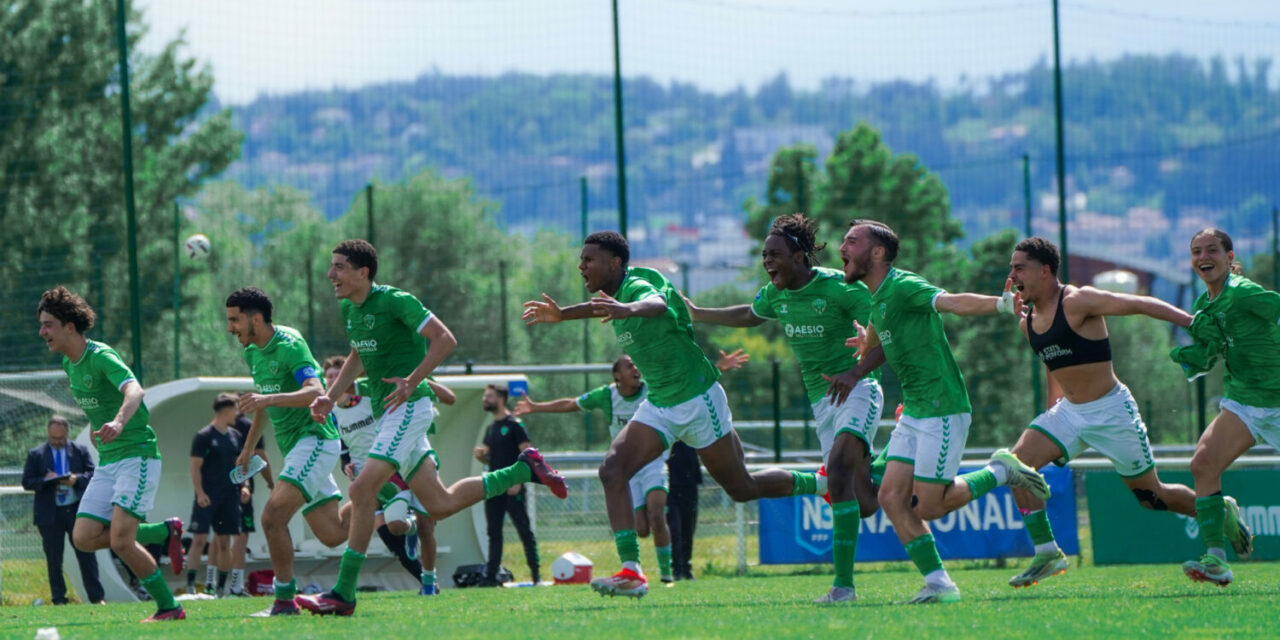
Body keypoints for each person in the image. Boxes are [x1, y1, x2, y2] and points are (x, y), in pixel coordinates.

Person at [522, 231, 826, 599]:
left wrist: (627, 310)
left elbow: (657, 304)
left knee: (741, 488)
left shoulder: (638, 287)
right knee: (612, 471)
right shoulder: (617, 294)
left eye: (589, 259)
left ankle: (822, 484)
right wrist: (563, 314)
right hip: (661, 404)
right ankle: (631, 572)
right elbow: (598, 307)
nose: (581, 266)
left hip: (698, 399)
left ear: (614, 263)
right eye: (581, 259)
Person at [303, 239, 567, 616]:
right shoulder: (350, 308)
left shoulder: (396, 301)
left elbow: (445, 339)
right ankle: (524, 469)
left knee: (361, 489)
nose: (331, 274)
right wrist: (330, 397)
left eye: (339, 267)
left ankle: (343, 593)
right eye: (331, 266)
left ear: (363, 272)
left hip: (409, 406)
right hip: (388, 411)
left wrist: (412, 381)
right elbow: (358, 355)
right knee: (439, 504)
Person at [998, 236, 1249, 588]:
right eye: (1012, 268)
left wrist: (1192, 322)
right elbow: (1052, 364)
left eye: (1019, 268)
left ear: (1045, 271)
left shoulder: (1078, 300)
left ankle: (1219, 509)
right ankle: (1047, 553)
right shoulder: (1028, 322)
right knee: (1017, 465)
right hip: (1069, 413)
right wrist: (1053, 405)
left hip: (1112, 411)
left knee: (1152, 498)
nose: (1012, 275)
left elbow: (1140, 304)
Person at [836, 221, 1049, 604]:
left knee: (931, 506)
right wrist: (867, 342)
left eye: (852, 241)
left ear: (878, 252)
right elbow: (881, 329)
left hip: (942, 407)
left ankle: (1002, 471)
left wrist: (1001, 304)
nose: (842, 248)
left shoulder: (903, 285)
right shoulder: (877, 297)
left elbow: (952, 302)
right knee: (890, 497)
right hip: (915, 410)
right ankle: (939, 584)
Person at [682, 213, 884, 603]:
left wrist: (863, 349)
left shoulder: (840, 287)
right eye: (764, 255)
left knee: (839, 472)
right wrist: (698, 312)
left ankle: (843, 587)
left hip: (858, 388)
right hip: (822, 401)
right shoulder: (776, 296)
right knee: (864, 504)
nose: (767, 261)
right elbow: (749, 314)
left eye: (774, 254)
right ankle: (891, 465)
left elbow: (882, 320)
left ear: (799, 256)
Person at [515, 351, 748, 585]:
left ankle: (666, 576)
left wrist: (719, 368)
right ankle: (640, 563)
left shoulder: (652, 389)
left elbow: (686, 386)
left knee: (657, 514)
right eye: (629, 366)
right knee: (642, 529)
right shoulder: (607, 395)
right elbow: (571, 403)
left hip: (654, 464)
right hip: (629, 470)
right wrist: (535, 407)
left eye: (636, 365)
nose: (636, 368)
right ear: (617, 375)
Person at [38, 286, 186, 622]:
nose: (42, 332)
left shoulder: (101, 355)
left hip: (137, 455)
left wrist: (119, 421)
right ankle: (163, 531)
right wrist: (97, 426)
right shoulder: (69, 363)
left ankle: (169, 607)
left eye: (48, 325)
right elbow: (98, 403)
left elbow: (135, 390)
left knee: (121, 540)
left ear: (69, 327)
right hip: (109, 461)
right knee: (83, 537)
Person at [224, 287, 349, 617]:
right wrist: (248, 448)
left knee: (272, 517)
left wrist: (267, 399)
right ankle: (378, 500)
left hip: (315, 439)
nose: (230, 328)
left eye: (234, 320)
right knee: (332, 533)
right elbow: (263, 405)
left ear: (256, 319)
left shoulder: (290, 345)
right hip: (297, 447)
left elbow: (316, 391)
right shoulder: (253, 352)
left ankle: (283, 601)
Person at [1173, 228, 1272, 586]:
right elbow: (1213, 352)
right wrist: (1194, 357)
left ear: (1230, 257)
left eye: (1212, 250)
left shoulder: (1243, 292)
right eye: (1196, 251)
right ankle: (1216, 560)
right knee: (1202, 464)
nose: (1203, 257)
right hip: (1244, 401)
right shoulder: (1204, 305)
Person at [326, 354, 454, 596]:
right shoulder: (332, 409)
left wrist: (415, 380)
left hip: (398, 465)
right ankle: (423, 578)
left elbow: (449, 397)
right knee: (392, 533)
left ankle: (429, 582)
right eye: (329, 377)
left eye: (337, 375)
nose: (333, 380)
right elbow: (344, 444)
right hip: (369, 477)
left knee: (428, 524)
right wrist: (346, 464)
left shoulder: (373, 393)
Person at [22, 415, 104, 605]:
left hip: (77, 511)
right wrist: (46, 480)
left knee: (86, 554)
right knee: (54, 558)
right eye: (53, 438)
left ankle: (97, 597)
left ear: (67, 434)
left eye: (61, 438)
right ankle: (59, 599)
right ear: (48, 434)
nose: (57, 442)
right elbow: (27, 481)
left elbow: (92, 474)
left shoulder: (80, 451)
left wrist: (76, 479)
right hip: (50, 514)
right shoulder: (36, 454)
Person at [474, 384, 541, 585]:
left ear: (501, 399)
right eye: (485, 396)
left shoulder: (515, 425)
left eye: (489, 396)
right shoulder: (491, 428)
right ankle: (491, 577)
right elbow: (491, 458)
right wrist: (482, 456)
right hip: (495, 487)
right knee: (494, 532)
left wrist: (518, 482)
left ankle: (536, 576)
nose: (485, 399)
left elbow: (528, 456)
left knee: (524, 531)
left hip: (513, 488)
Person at [186, 393, 249, 596]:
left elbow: (241, 466)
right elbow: (195, 468)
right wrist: (200, 493)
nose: (238, 414)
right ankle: (190, 586)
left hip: (229, 496)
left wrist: (245, 485)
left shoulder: (235, 436)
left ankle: (221, 588)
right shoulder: (204, 436)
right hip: (208, 495)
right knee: (199, 539)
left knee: (224, 542)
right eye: (235, 409)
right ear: (226, 411)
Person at [229, 397, 273, 595]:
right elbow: (261, 458)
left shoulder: (217, 427)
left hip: (219, 489)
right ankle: (235, 587)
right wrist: (271, 483)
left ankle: (216, 586)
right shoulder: (249, 426)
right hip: (240, 487)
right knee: (240, 535)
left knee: (222, 538)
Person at [665, 441, 700, 581]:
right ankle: (677, 569)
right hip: (670, 485)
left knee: (689, 528)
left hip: (690, 484)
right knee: (675, 529)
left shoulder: (691, 435)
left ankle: (686, 567)